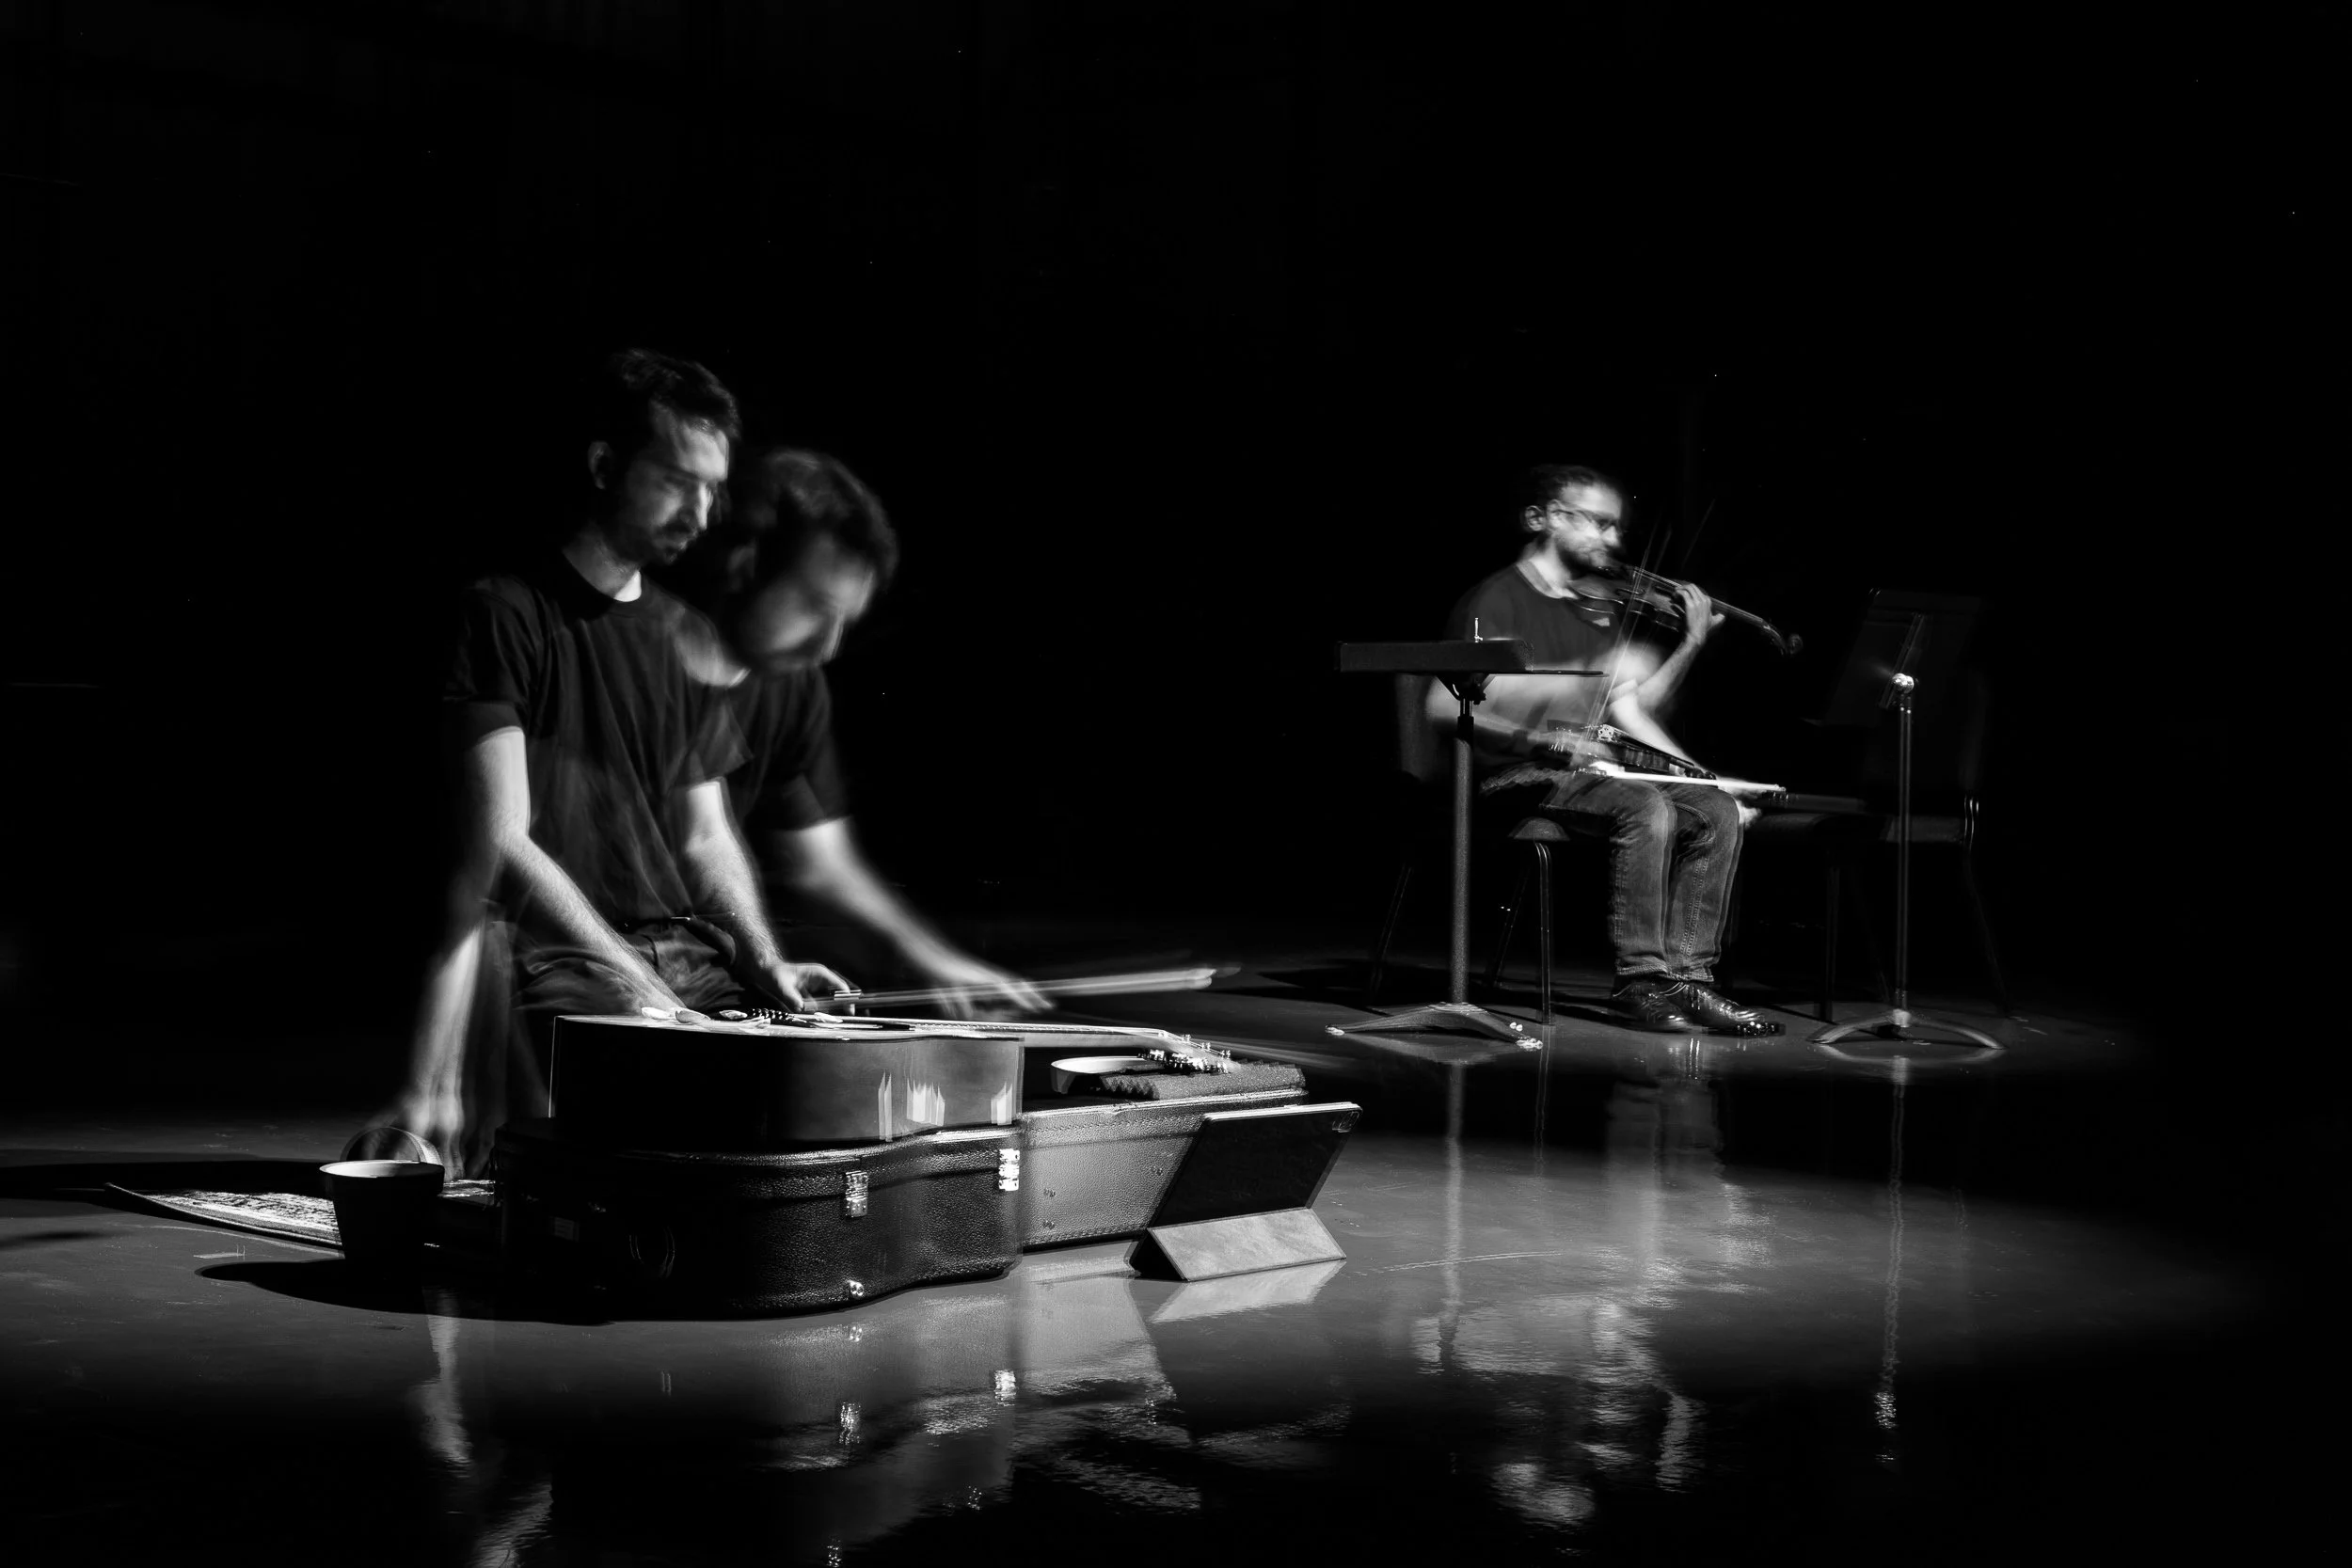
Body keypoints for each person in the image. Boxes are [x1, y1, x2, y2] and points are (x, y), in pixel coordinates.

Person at [370, 351, 853, 1170]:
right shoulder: (505, 613)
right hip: (563, 966)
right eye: (676, 481)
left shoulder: (685, 636)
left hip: (686, 967)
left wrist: (766, 964)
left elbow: (705, 840)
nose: (701, 513)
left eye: (712, 489)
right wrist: (648, 993)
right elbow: (504, 842)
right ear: (604, 466)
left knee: (824, 1103)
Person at [663, 446, 1042, 1016]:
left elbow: (820, 861)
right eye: (816, 607)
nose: (828, 645)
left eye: (844, 620)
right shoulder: (638, 654)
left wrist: (925, 955)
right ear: (746, 563)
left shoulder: (793, 686)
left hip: (688, 970)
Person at [1437, 464, 1780, 1035]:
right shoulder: (1497, 599)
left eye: (1613, 526)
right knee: (1644, 805)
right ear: (1540, 518)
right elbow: (1445, 707)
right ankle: (1640, 980)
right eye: (1595, 522)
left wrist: (1707, 770)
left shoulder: (1591, 609)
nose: (1612, 540)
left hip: (1588, 773)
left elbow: (1627, 709)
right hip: (1512, 775)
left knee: (1715, 813)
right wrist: (1539, 738)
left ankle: (1689, 980)